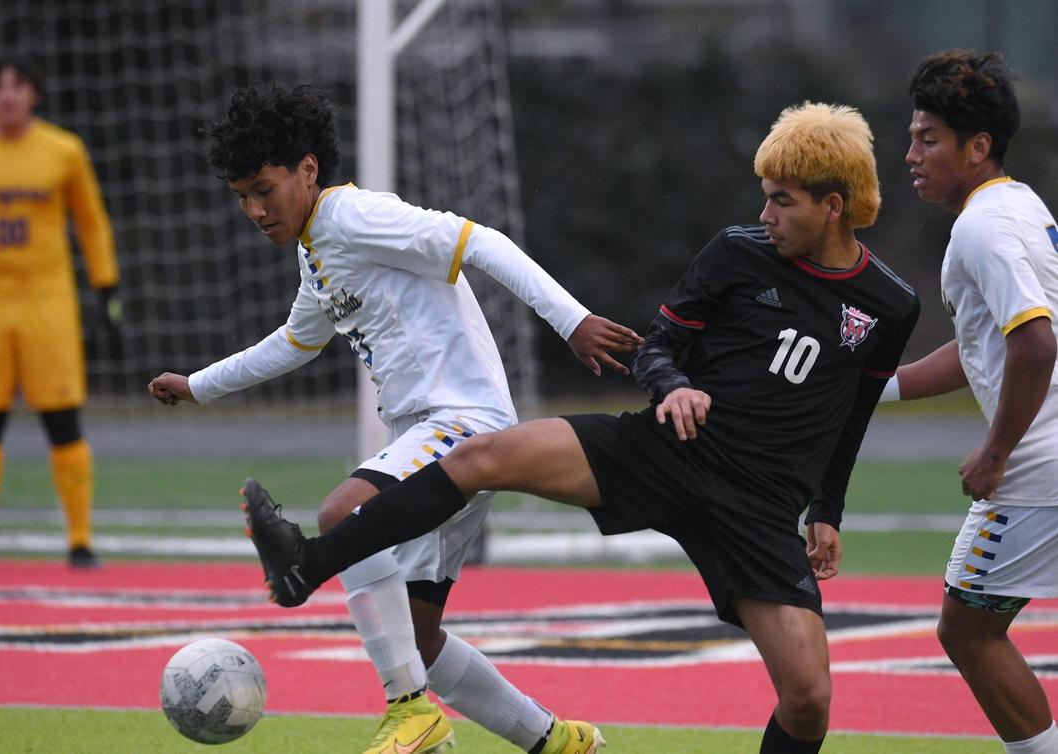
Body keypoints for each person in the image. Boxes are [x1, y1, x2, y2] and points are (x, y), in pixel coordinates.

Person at [242, 101, 921, 754]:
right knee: (485, 456)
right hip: (666, 452)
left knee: (808, 698)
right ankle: (309, 563)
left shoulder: (890, 304)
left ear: (833, 207)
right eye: (765, 195)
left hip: (761, 506)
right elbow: (657, 348)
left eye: (783, 201)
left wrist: (826, 510)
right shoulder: (736, 254)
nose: (764, 214)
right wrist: (674, 385)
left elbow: (851, 414)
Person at [147, 83, 639, 754]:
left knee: (341, 516)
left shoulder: (353, 216)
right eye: (241, 197)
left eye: (264, 188)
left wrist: (572, 320)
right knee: (420, 636)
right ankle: (558, 742)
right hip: (432, 438)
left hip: (462, 424)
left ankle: (409, 711)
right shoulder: (316, 244)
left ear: (309, 169)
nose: (254, 210)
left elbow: (481, 242)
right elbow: (295, 340)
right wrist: (198, 386)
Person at [880, 50, 1058, 754]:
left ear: (978, 148)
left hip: (1036, 472)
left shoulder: (981, 227)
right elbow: (985, 345)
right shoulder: (1019, 206)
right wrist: (877, 388)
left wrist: (995, 452)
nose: (911, 155)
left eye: (929, 139)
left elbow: (1037, 345)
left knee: (967, 629)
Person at [0, 57, 123, 570]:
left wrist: (107, 291)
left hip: (47, 302)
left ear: (34, 93)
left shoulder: (63, 150)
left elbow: (91, 223)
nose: (7, 96)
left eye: (18, 86)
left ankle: (80, 541)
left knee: (63, 420)